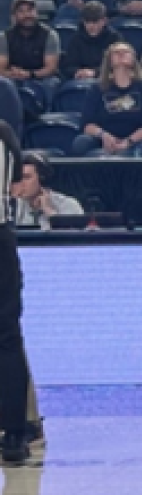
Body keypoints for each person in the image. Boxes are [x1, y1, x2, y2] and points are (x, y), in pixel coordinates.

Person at [0, 115, 32, 463]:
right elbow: (12, 183)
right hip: (0, 237)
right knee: (7, 335)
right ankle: (14, 435)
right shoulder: (4, 133)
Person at [74, 41, 142, 156]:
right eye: (116, 53)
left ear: (133, 59)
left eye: (125, 52)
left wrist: (128, 141)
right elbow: (87, 123)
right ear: (109, 61)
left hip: (137, 141)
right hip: (104, 139)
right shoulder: (97, 88)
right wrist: (104, 136)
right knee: (81, 142)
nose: (121, 54)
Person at [0, 0, 58, 109]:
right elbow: (1, 68)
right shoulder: (4, 37)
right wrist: (13, 74)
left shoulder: (49, 35)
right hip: (14, 77)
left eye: (30, 10)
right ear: (14, 16)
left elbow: (51, 68)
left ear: (36, 12)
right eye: (21, 11)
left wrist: (29, 74)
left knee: (51, 83)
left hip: (42, 77)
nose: (27, 15)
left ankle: (47, 118)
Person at [9, 151, 83, 230]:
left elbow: (73, 238)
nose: (21, 183)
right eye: (18, 178)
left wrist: (49, 211)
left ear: (42, 179)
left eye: (26, 177)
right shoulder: (12, 206)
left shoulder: (69, 205)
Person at [59, 1, 118, 81]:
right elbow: (67, 66)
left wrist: (95, 73)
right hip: (79, 80)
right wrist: (77, 72)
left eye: (95, 21)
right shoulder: (76, 38)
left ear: (104, 21)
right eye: (87, 21)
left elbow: (117, 65)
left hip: (106, 81)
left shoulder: (114, 38)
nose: (91, 26)